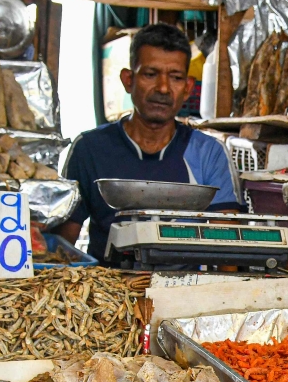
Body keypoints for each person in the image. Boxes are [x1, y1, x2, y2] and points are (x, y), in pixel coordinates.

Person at [57, 23, 241, 264]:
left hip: (186, 291)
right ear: (128, 80)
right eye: (150, 74)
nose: (163, 88)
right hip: (106, 292)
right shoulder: (89, 148)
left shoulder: (209, 153)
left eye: (175, 77)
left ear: (187, 88)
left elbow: (228, 247)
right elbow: (62, 247)